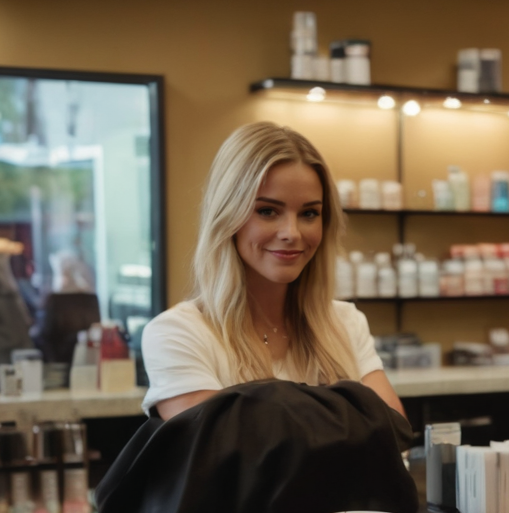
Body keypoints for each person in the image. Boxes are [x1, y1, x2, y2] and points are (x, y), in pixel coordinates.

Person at [141, 122, 403, 421]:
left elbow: (394, 428)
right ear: (227, 216)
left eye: (309, 214)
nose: (292, 232)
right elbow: (220, 453)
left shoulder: (346, 323)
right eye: (267, 211)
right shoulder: (178, 334)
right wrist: (346, 416)